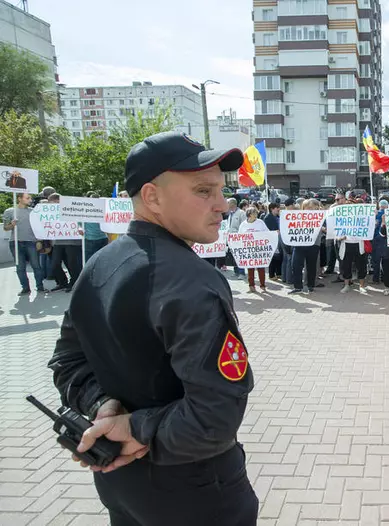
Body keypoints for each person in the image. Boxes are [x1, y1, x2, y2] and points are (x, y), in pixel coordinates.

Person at [47, 131, 258, 526]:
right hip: (195, 493)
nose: (222, 204)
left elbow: (67, 363)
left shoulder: (98, 265)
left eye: (221, 190)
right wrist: (130, 425)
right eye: (203, 191)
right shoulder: (192, 280)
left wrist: (102, 407)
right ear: (152, 197)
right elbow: (215, 417)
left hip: (121, 486)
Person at [2, 192, 46, 294]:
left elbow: (39, 227)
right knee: (20, 267)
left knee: (36, 265)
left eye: (30, 198)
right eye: (27, 198)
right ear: (19, 198)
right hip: (16, 242)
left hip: (31, 242)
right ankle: (25, 288)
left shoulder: (33, 211)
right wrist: (12, 224)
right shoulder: (9, 211)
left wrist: (39, 241)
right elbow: (5, 228)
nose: (30, 200)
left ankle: (40, 287)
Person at [238, 207, 269, 293]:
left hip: (259, 250)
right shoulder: (243, 225)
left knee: (261, 268)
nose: (256, 214)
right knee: (250, 268)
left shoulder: (260, 222)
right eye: (254, 213)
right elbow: (239, 237)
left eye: (256, 212)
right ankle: (251, 286)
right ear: (249, 215)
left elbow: (267, 233)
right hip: (249, 250)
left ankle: (263, 286)